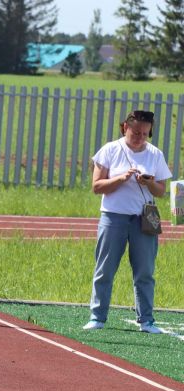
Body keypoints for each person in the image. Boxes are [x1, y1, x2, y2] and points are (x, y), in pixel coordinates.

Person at [84, 110, 172, 334]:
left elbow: (161, 191)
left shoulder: (155, 154)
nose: (140, 137)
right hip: (113, 217)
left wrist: (149, 183)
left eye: (145, 133)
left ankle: (146, 320)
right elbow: (96, 187)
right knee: (105, 268)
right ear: (125, 127)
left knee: (144, 271)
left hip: (144, 218)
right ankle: (97, 317)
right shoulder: (110, 149)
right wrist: (121, 179)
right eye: (136, 133)